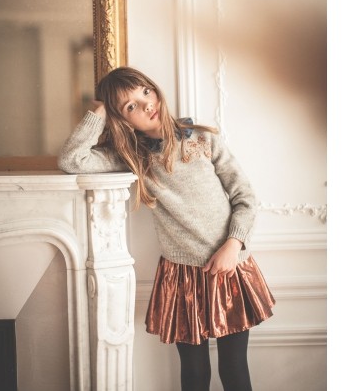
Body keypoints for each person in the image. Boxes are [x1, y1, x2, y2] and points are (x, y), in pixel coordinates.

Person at [58, 66, 275, 391]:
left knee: (234, 369)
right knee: (195, 373)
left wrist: (233, 245)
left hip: (229, 267)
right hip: (181, 276)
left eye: (145, 91)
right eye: (131, 106)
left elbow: (245, 197)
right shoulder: (132, 156)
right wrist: (99, 113)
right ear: (122, 120)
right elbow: (71, 160)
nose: (146, 104)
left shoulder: (204, 138)